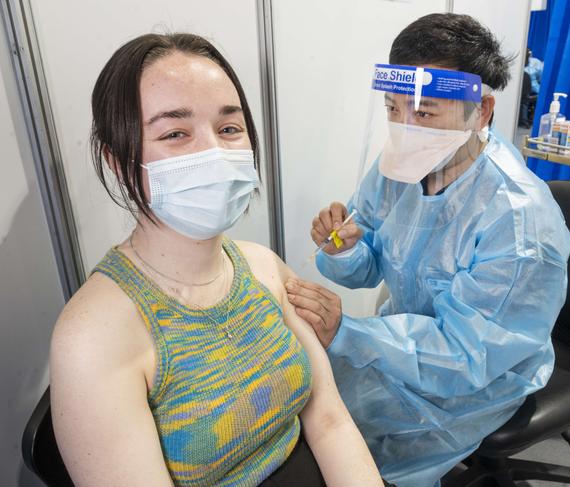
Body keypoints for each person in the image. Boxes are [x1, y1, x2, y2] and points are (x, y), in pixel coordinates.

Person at [49, 33, 386, 487]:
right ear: (117, 160)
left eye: (229, 129)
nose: (213, 152)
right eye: (175, 133)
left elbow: (329, 421)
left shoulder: (262, 267)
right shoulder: (93, 336)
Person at [286, 13, 570, 487]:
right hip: (404, 348)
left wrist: (350, 334)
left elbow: (468, 357)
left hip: (485, 378)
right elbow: (371, 262)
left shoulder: (519, 223)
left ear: (480, 111)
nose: (405, 128)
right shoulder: (402, 165)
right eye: (394, 110)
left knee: (349, 455)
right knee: (301, 404)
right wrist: (341, 250)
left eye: (424, 113)